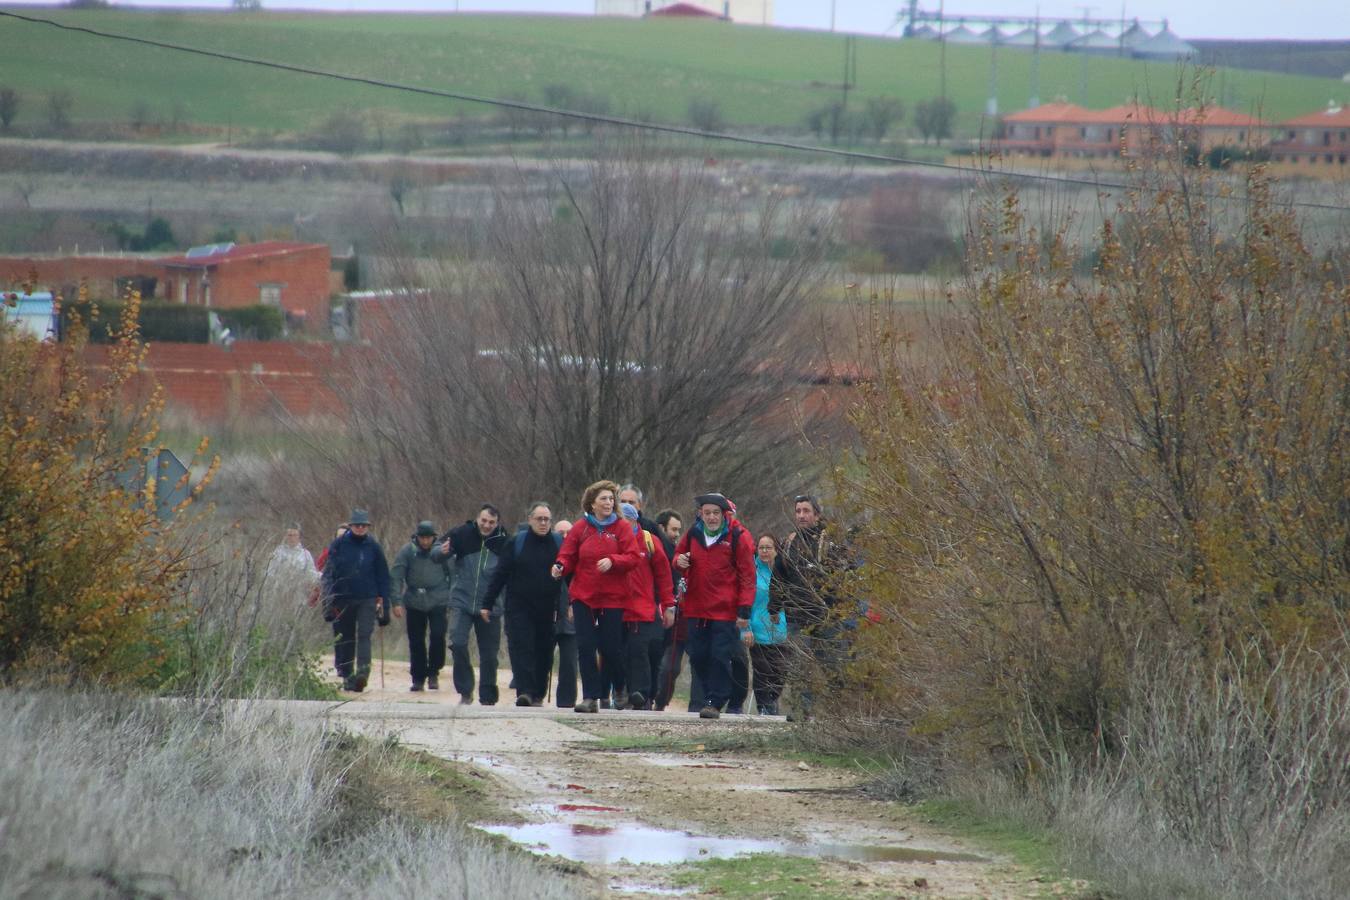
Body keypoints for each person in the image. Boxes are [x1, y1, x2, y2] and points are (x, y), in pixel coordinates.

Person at [551, 480, 641, 714]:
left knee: (610, 648)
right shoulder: (581, 528)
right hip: (584, 596)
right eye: (604, 499)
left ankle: (620, 687)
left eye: (612, 499)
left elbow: (633, 557)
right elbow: (567, 554)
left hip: (613, 597)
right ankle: (590, 696)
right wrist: (560, 566)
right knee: (586, 646)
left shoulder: (621, 528)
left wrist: (613, 561)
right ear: (592, 503)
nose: (609, 503)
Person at [672, 492, 756, 720]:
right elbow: (678, 555)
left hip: (724, 608)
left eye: (715, 513)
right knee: (698, 655)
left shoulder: (738, 536)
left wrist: (744, 609)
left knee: (720, 655)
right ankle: (716, 693)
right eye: (707, 513)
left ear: (724, 514)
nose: (711, 517)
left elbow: (748, 575)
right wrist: (679, 561)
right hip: (697, 606)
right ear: (701, 514)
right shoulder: (694, 533)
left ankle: (715, 700)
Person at [769, 494, 854, 712]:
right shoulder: (790, 543)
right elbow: (779, 577)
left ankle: (841, 713)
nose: (801, 516)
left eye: (806, 511)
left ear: (817, 514)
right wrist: (774, 607)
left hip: (828, 617)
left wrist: (839, 608)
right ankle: (801, 712)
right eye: (798, 511)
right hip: (798, 616)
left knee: (834, 666)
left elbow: (844, 578)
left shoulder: (830, 542)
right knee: (799, 665)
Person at [482, 502, 565, 707]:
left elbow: (570, 574)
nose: (543, 523)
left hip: (547, 608)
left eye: (547, 519)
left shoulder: (558, 543)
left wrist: (574, 603)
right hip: (519, 607)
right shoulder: (516, 543)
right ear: (530, 520)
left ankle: (538, 692)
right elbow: (500, 574)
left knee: (544, 651)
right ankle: (525, 691)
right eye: (539, 519)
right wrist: (487, 603)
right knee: (522, 647)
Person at [440, 505, 508, 705]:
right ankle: (465, 691)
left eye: (491, 523)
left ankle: (487, 696)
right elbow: (436, 553)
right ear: (477, 519)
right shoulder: (461, 533)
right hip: (462, 600)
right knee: (457, 643)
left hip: (490, 604)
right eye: (484, 521)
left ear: (497, 524)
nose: (487, 525)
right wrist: (441, 551)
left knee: (489, 654)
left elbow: (511, 571)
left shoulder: (504, 541)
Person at [320, 509, 391, 693]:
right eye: (357, 525)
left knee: (365, 635)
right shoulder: (338, 545)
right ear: (351, 526)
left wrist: (386, 607)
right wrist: (328, 601)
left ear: (367, 527)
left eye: (363, 525)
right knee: (346, 638)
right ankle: (347, 675)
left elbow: (383, 576)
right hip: (343, 598)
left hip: (367, 598)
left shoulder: (373, 547)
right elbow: (328, 574)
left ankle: (362, 674)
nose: (360, 528)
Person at [619, 502, 675, 710]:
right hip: (617, 607)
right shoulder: (611, 540)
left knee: (643, 650)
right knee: (622, 652)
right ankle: (626, 691)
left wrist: (669, 605)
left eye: (626, 520)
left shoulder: (649, 541)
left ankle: (642, 693)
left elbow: (664, 575)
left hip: (643, 607)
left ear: (635, 520)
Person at [390, 520, 451, 692]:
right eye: (422, 538)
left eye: (428, 538)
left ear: (434, 537)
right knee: (416, 640)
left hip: (438, 599)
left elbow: (454, 574)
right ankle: (418, 677)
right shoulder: (408, 551)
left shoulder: (442, 551)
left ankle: (434, 672)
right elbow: (396, 575)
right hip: (415, 600)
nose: (425, 542)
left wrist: (452, 599)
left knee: (438, 636)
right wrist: (396, 601)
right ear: (417, 537)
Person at [744, 534, 789, 715]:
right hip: (758, 630)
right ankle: (764, 706)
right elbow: (745, 603)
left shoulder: (784, 571)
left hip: (781, 631)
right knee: (761, 670)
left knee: (780, 671)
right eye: (761, 547)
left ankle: (772, 700)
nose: (764, 551)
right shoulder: (751, 571)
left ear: (776, 550)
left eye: (768, 547)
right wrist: (746, 629)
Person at [552, 518, 579, 709]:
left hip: (571, 617)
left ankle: (566, 702)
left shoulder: (579, 556)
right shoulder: (548, 554)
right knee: (543, 657)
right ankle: (534, 695)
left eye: (568, 533)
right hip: (549, 615)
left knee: (569, 662)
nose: (564, 536)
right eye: (560, 533)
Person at [266, 523, 317, 599]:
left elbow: (311, 573)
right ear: (286, 536)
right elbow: (270, 572)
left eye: (295, 535)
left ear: (299, 536)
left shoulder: (305, 554)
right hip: (278, 592)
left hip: (298, 594)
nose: (292, 538)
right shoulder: (278, 552)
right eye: (290, 535)